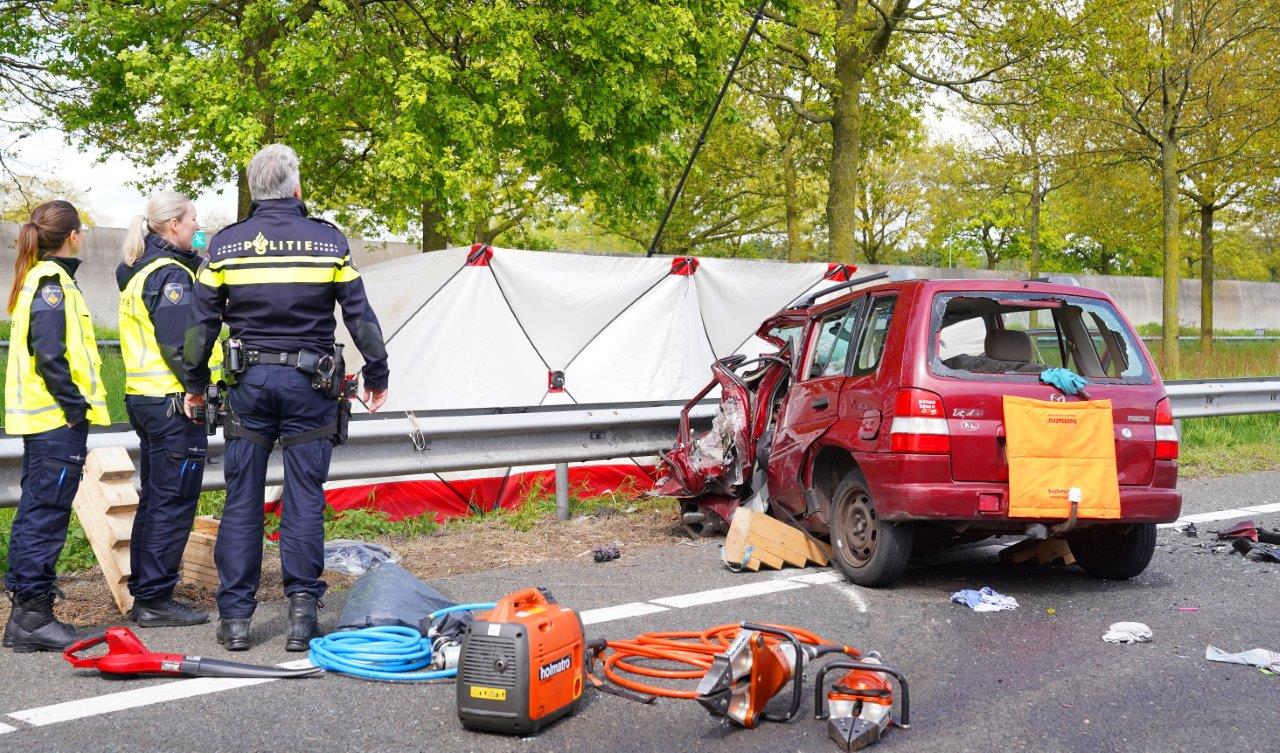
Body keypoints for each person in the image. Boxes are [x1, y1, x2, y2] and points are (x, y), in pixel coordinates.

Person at [182, 144, 390, 652]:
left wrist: (192, 383)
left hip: (248, 389)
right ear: (296, 187)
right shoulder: (327, 242)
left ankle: (235, 620)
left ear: (255, 190)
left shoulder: (225, 246)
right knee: (303, 500)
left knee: (242, 501)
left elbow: (200, 324)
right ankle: (301, 615)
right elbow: (358, 316)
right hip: (310, 388)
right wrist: (377, 373)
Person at [3, 200, 110, 652]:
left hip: (47, 422)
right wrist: (72, 407)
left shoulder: (43, 278)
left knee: (37, 514)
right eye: (81, 229)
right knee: (44, 518)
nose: (83, 234)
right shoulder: (51, 283)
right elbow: (50, 354)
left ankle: (27, 616)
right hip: (55, 421)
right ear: (72, 235)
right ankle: (32, 617)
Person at [116, 191, 224, 627]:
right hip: (174, 403)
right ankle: (155, 600)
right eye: (193, 220)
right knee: (174, 500)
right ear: (173, 224)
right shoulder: (169, 278)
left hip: (148, 399)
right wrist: (198, 389)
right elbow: (181, 346)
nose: (198, 227)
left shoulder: (145, 269)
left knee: (157, 498)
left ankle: (147, 592)